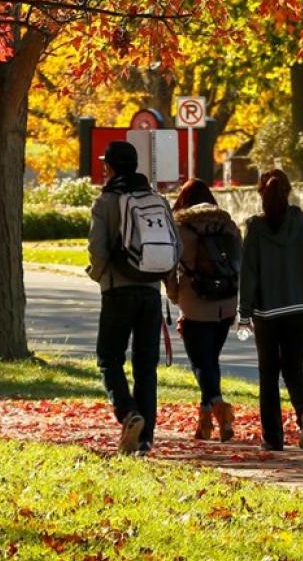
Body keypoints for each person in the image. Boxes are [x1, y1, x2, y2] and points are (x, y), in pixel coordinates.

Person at [87, 140, 177, 455]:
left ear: (110, 167)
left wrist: (99, 275)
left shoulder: (106, 202)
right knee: (145, 365)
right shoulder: (155, 199)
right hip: (151, 291)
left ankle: (128, 413)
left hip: (117, 290)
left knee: (108, 358)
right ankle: (145, 439)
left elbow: (97, 250)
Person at [238, 169, 303, 450]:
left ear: (261, 195)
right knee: (294, 369)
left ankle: (273, 437)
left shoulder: (255, 228)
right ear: (288, 191)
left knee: (269, 374)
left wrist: (244, 313)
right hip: (300, 307)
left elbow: (248, 275)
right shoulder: (302, 222)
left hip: (267, 313)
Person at [165, 179, 242, 441]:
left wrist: (175, 295)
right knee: (211, 360)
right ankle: (206, 423)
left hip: (194, 301)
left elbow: (169, 267)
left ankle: (221, 408)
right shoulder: (229, 226)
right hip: (226, 302)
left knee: (201, 362)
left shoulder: (181, 228)